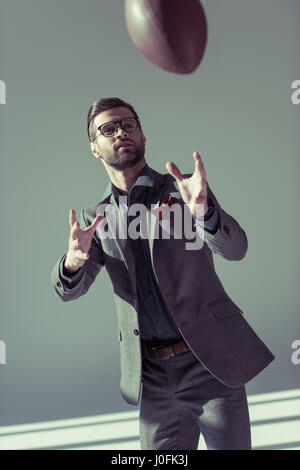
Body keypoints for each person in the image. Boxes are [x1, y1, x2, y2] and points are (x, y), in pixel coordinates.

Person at [51, 97, 275, 450]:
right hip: (152, 377)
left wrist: (204, 215)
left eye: (128, 124)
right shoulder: (97, 217)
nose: (120, 132)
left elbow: (236, 249)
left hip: (210, 364)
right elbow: (68, 290)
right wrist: (72, 263)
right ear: (95, 148)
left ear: (142, 135)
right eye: (108, 129)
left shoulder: (183, 191)